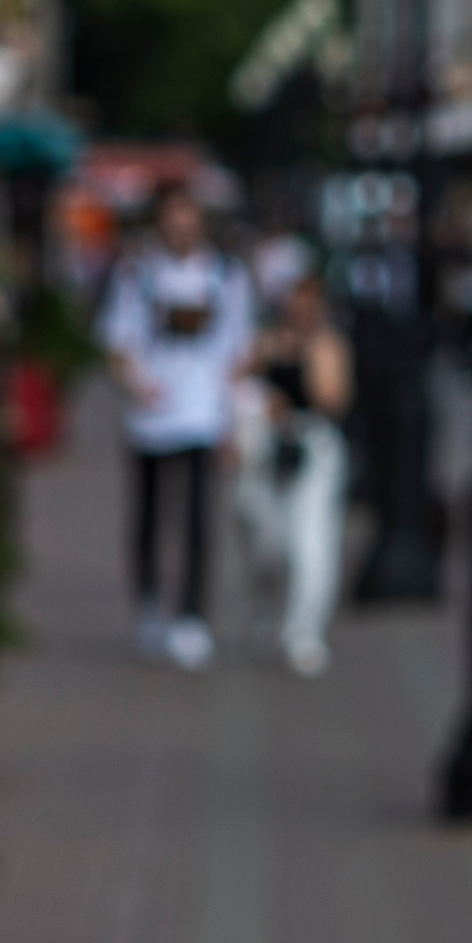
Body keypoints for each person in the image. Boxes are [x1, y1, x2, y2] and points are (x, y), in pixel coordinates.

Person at [98, 186, 255, 670]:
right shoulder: (136, 276)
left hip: (202, 412)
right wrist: (134, 382)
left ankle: (192, 615)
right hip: (151, 414)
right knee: (149, 514)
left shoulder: (226, 276)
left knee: (197, 518)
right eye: (172, 222)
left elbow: (241, 347)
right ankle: (150, 602)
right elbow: (117, 342)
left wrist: (229, 410)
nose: (181, 231)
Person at [231, 273, 353, 676]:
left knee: (310, 542)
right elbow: (234, 381)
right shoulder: (265, 340)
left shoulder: (328, 344)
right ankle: (266, 615)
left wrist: (309, 358)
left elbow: (333, 400)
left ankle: (303, 630)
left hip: (312, 449)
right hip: (267, 448)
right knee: (264, 539)